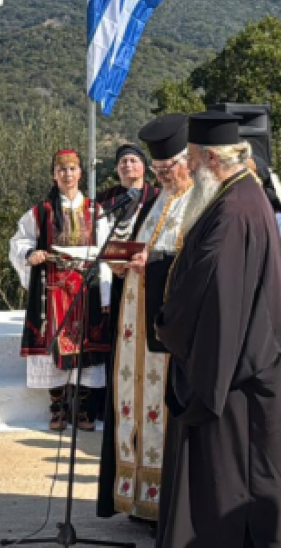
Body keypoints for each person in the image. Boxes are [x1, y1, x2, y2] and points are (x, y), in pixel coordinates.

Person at [155, 111, 281, 548]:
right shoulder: (243, 195)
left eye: (192, 158)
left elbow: (214, 298)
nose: (188, 168)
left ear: (211, 159)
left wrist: (169, 325)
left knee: (240, 480)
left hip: (238, 374)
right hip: (252, 356)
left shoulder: (232, 209)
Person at [99, 115, 192, 526]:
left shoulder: (200, 203)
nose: (163, 176)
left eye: (168, 168)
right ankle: (137, 498)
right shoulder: (156, 202)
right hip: (134, 325)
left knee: (163, 413)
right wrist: (124, 265)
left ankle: (166, 501)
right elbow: (144, 248)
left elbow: (191, 265)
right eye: (157, 170)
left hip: (167, 331)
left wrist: (148, 262)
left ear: (187, 161)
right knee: (132, 407)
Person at [9, 149, 112, 432]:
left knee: (86, 345)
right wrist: (31, 253)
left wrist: (106, 293)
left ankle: (83, 408)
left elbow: (105, 252)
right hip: (52, 288)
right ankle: (57, 407)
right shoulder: (41, 211)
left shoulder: (96, 211)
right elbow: (19, 242)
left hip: (86, 289)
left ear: (81, 173)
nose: (67, 174)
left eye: (72, 169)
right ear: (54, 175)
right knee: (51, 343)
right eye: (61, 169)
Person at [95, 143, 160, 424]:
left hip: (146, 279)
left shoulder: (157, 198)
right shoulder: (106, 200)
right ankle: (114, 406)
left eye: (133, 161)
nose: (127, 166)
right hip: (113, 279)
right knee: (115, 342)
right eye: (122, 162)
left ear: (144, 167)